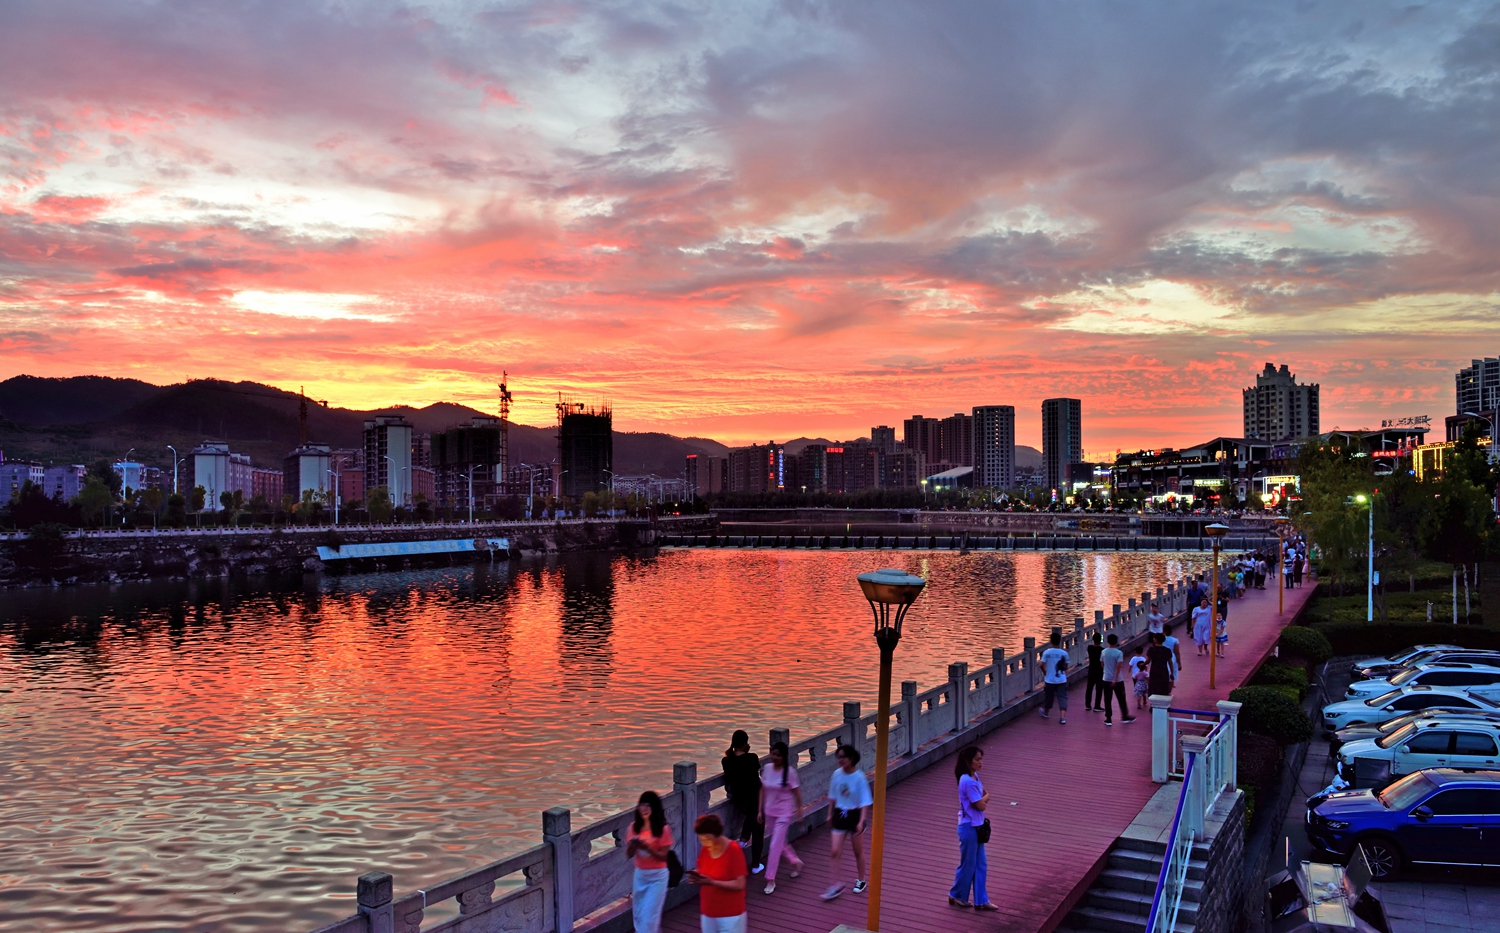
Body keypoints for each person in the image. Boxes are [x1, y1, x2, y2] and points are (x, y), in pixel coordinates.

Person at [948, 746, 996, 911]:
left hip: (977, 826)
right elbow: (981, 804)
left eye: (981, 759)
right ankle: (957, 895)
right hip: (969, 827)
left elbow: (981, 797)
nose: (980, 762)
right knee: (968, 864)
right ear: (968, 762)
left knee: (980, 863)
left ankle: (981, 900)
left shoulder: (974, 776)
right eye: (977, 759)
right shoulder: (967, 781)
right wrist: (987, 796)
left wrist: (984, 797)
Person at [821, 745, 872, 900]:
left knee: (858, 851)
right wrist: (830, 814)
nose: (840, 760)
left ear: (851, 759)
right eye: (839, 757)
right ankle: (836, 883)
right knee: (835, 851)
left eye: (843, 757)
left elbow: (865, 802)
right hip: (839, 814)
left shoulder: (859, 778)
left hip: (855, 815)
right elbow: (832, 796)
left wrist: (861, 821)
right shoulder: (836, 774)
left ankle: (861, 880)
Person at [686, 814, 749, 933]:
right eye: (702, 839)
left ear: (717, 835)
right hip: (708, 912)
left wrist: (712, 882)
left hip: (730, 915)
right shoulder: (705, 850)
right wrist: (696, 875)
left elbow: (740, 884)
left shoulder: (733, 851)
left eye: (707, 838)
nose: (705, 842)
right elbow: (703, 869)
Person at [758, 740, 804, 894]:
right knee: (780, 843)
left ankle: (770, 879)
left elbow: (797, 794)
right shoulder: (767, 769)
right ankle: (795, 861)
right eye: (773, 754)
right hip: (769, 812)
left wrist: (799, 812)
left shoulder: (789, 772)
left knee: (774, 845)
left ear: (784, 756)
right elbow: (762, 790)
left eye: (778, 755)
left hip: (784, 813)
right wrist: (759, 811)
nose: (775, 757)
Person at [626, 791, 674, 933]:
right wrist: (633, 846)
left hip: (657, 877)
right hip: (640, 875)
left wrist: (648, 848)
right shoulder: (633, 828)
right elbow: (629, 854)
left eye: (648, 805)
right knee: (639, 915)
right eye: (642, 805)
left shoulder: (663, 829)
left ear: (655, 808)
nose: (645, 809)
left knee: (649, 916)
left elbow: (664, 857)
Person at [721, 730, 764, 873]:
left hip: (739, 799)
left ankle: (744, 840)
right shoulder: (752, 758)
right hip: (754, 797)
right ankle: (755, 864)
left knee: (753, 815)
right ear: (746, 742)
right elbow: (755, 778)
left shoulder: (726, 761)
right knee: (758, 824)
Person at [1101, 633, 1135, 726]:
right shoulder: (1118, 653)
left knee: (1107, 699)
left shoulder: (1104, 652)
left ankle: (1108, 718)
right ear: (1116, 642)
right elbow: (1118, 667)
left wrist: (1107, 669)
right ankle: (1125, 716)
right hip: (1118, 680)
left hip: (1106, 678)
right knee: (1121, 698)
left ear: (1108, 641)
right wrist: (1114, 680)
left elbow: (1102, 664)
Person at [1039, 631, 1070, 725]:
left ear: (1051, 641)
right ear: (1060, 641)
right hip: (1061, 679)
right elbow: (1066, 666)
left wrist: (1045, 672)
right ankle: (1062, 718)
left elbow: (1041, 665)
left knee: (1049, 697)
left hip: (1050, 679)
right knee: (1062, 697)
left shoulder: (1047, 652)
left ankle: (1046, 712)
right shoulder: (1064, 653)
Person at [1146, 632, 1175, 698]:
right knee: (1163, 687)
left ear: (1156, 639)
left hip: (1154, 671)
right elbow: (1170, 662)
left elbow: (1148, 661)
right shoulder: (1167, 650)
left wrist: (1142, 664)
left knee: (1154, 687)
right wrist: (1172, 673)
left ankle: (1153, 704)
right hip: (1164, 670)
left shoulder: (1152, 649)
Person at [1085, 632, 1105, 712]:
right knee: (1099, 688)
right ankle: (1097, 705)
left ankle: (1088, 705)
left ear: (1093, 640)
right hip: (1100, 670)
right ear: (1100, 640)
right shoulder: (1103, 650)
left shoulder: (1089, 648)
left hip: (1091, 670)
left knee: (1089, 688)